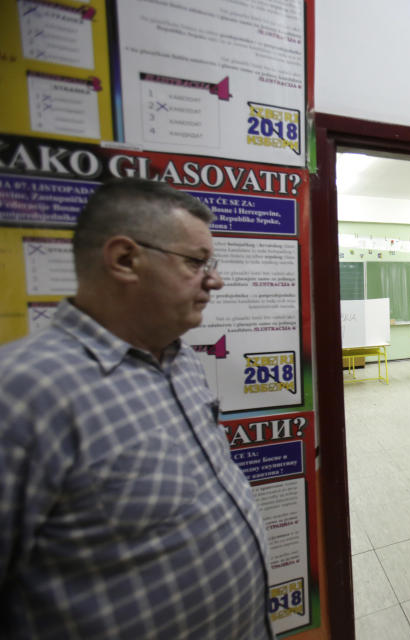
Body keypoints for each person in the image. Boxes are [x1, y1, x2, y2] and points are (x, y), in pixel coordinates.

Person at [0, 179, 273, 639]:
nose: (215, 280)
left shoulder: (181, 360)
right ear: (125, 259)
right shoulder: (23, 392)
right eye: (195, 262)